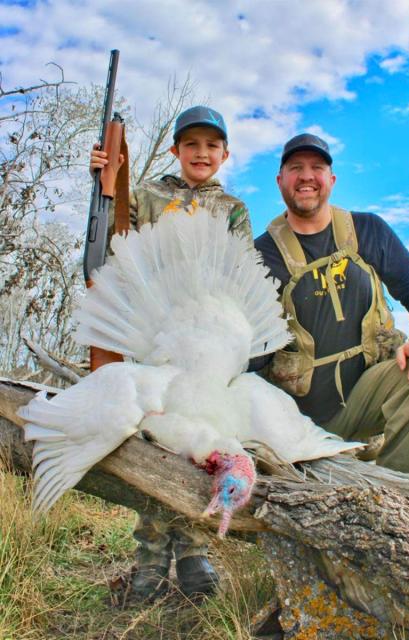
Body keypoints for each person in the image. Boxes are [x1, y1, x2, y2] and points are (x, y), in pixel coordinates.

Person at [89, 105, 250, 600]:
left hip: (206, 339)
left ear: (224, 153)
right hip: (153, 334)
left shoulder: (234, 209)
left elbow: (240, 271)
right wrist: (106, 180)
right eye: (191, 145)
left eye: (211, 145)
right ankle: (151, 555)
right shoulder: (148, 195)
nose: (201, 153)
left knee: (202, 438)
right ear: (176, 150)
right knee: (157, 434)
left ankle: (194, 550)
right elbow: (116, 244)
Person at [254, 133, 409, 481]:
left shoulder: (368, 230)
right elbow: (251, 355)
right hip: (295, 424)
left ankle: (405, 500)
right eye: (295, 168)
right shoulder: (261, 256)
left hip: (363, 404)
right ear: (280, 180)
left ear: (332, 179)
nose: (306, 176)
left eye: (317, 167)